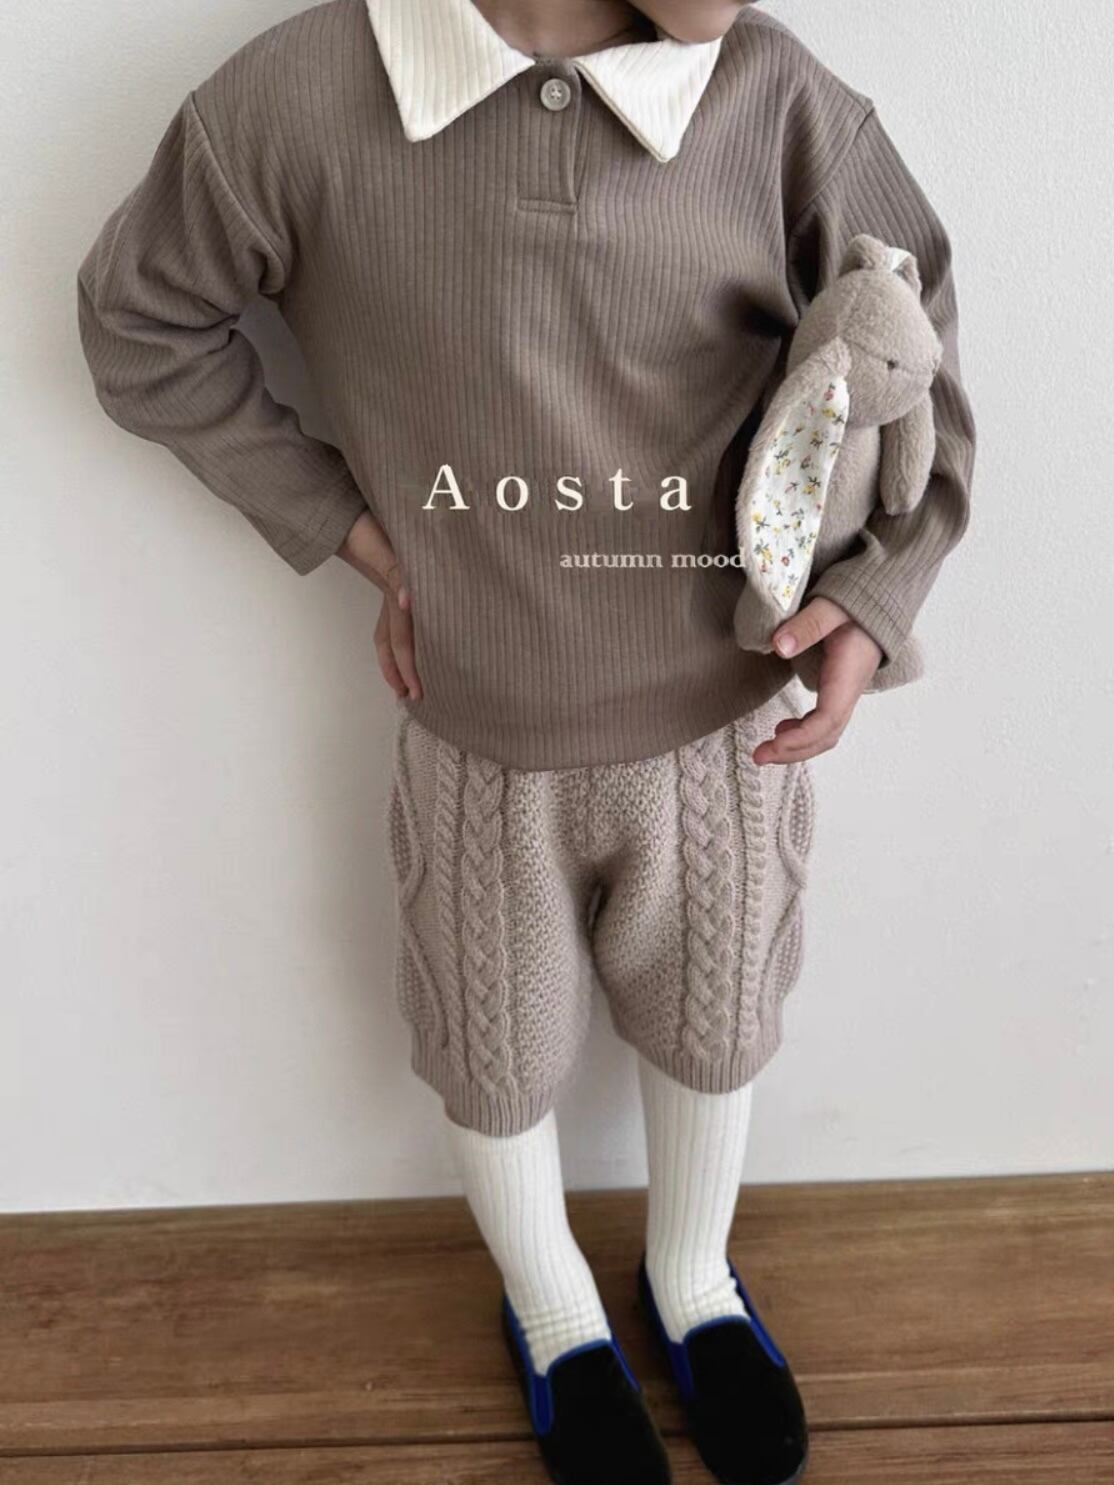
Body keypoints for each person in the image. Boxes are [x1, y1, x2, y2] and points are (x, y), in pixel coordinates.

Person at [75, 1, 976, 1480]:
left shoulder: (774, 97)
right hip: (480, 730)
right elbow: (137, 324)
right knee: (493, 1051)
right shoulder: (301, 102)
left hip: (726, 724)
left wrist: (876, 595)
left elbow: (907, 331)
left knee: (716, 1019)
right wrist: (346, 529)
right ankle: (551, 1306)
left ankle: (692, 1278)